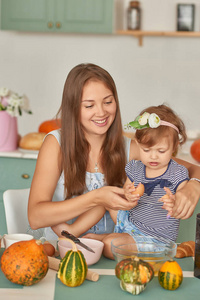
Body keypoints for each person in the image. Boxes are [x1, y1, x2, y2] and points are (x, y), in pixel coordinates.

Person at [28, 63, 200, 242]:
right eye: (89, 106)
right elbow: (35, 217)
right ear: (73, 108)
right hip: (60, 252)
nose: (101, 112)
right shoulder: (56, 144)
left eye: (108, 102)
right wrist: (96, 198)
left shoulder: (132, 149)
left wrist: (194, 186)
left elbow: (194, 170)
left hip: (113, 254)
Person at [55, 105, 189, 248]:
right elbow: (125, 193)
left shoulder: (178, 173)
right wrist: (129, 195)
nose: (153, 156)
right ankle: (72, 231)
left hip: (155, 239)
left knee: (110, 245)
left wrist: (174, 204)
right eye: (146, 150)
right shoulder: (135, 167)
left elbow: (184, 204)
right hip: (130, 224)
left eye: (161, 151)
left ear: (175, 146)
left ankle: (105, 238)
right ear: (138, 143)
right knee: (105, 198)